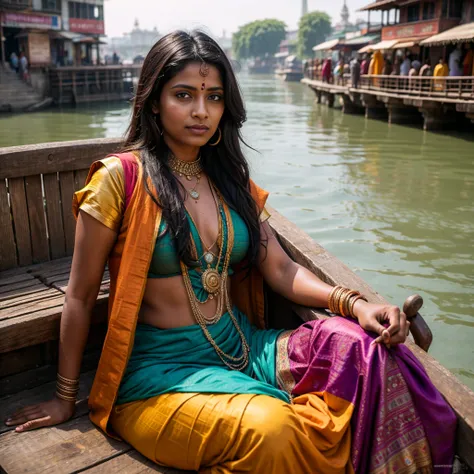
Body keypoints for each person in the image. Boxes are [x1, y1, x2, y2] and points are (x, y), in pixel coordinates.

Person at [5, 30, 456, 474]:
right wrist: (65, 397)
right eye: (184, 95)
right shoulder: (119, 181)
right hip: (158, 377)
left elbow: (279, 268)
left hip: (243, 346)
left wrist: (356, 304)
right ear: (153, 100)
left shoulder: (230, 181)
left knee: (361, 349)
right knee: (275, 429)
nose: (201, 111)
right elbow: (80, 296)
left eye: (214, 97)